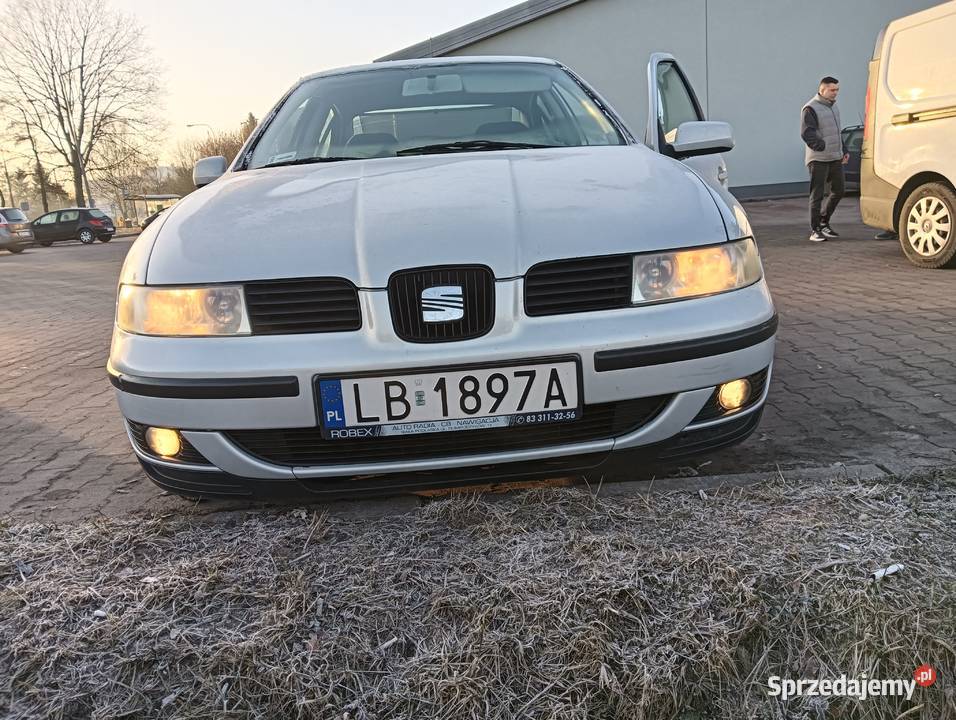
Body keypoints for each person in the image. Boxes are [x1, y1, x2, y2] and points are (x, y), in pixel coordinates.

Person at [801, 76, 849, 242]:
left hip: (835, 157)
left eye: (837, 90)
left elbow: (836, 130)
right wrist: (819, 145)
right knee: (817, 195)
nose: (835, 93)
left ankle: (824, 221)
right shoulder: (810, 108)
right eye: (832, 90)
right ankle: (815, 230)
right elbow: (807, 133)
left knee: (840, 190)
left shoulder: (833, 107)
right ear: (822, 90)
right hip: (818, 159)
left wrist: (844, 149)